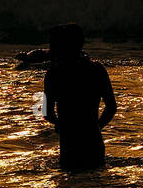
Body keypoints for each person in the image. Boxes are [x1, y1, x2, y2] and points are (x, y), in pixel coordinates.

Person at [42, 23, 116, 171]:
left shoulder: (55, 73)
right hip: (93, 139)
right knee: (96, 187)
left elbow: (45, 112)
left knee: (69, 186)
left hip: (70, 142)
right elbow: (111, 107)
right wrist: (96, 127)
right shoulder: (97, 69)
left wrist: (59, 124)